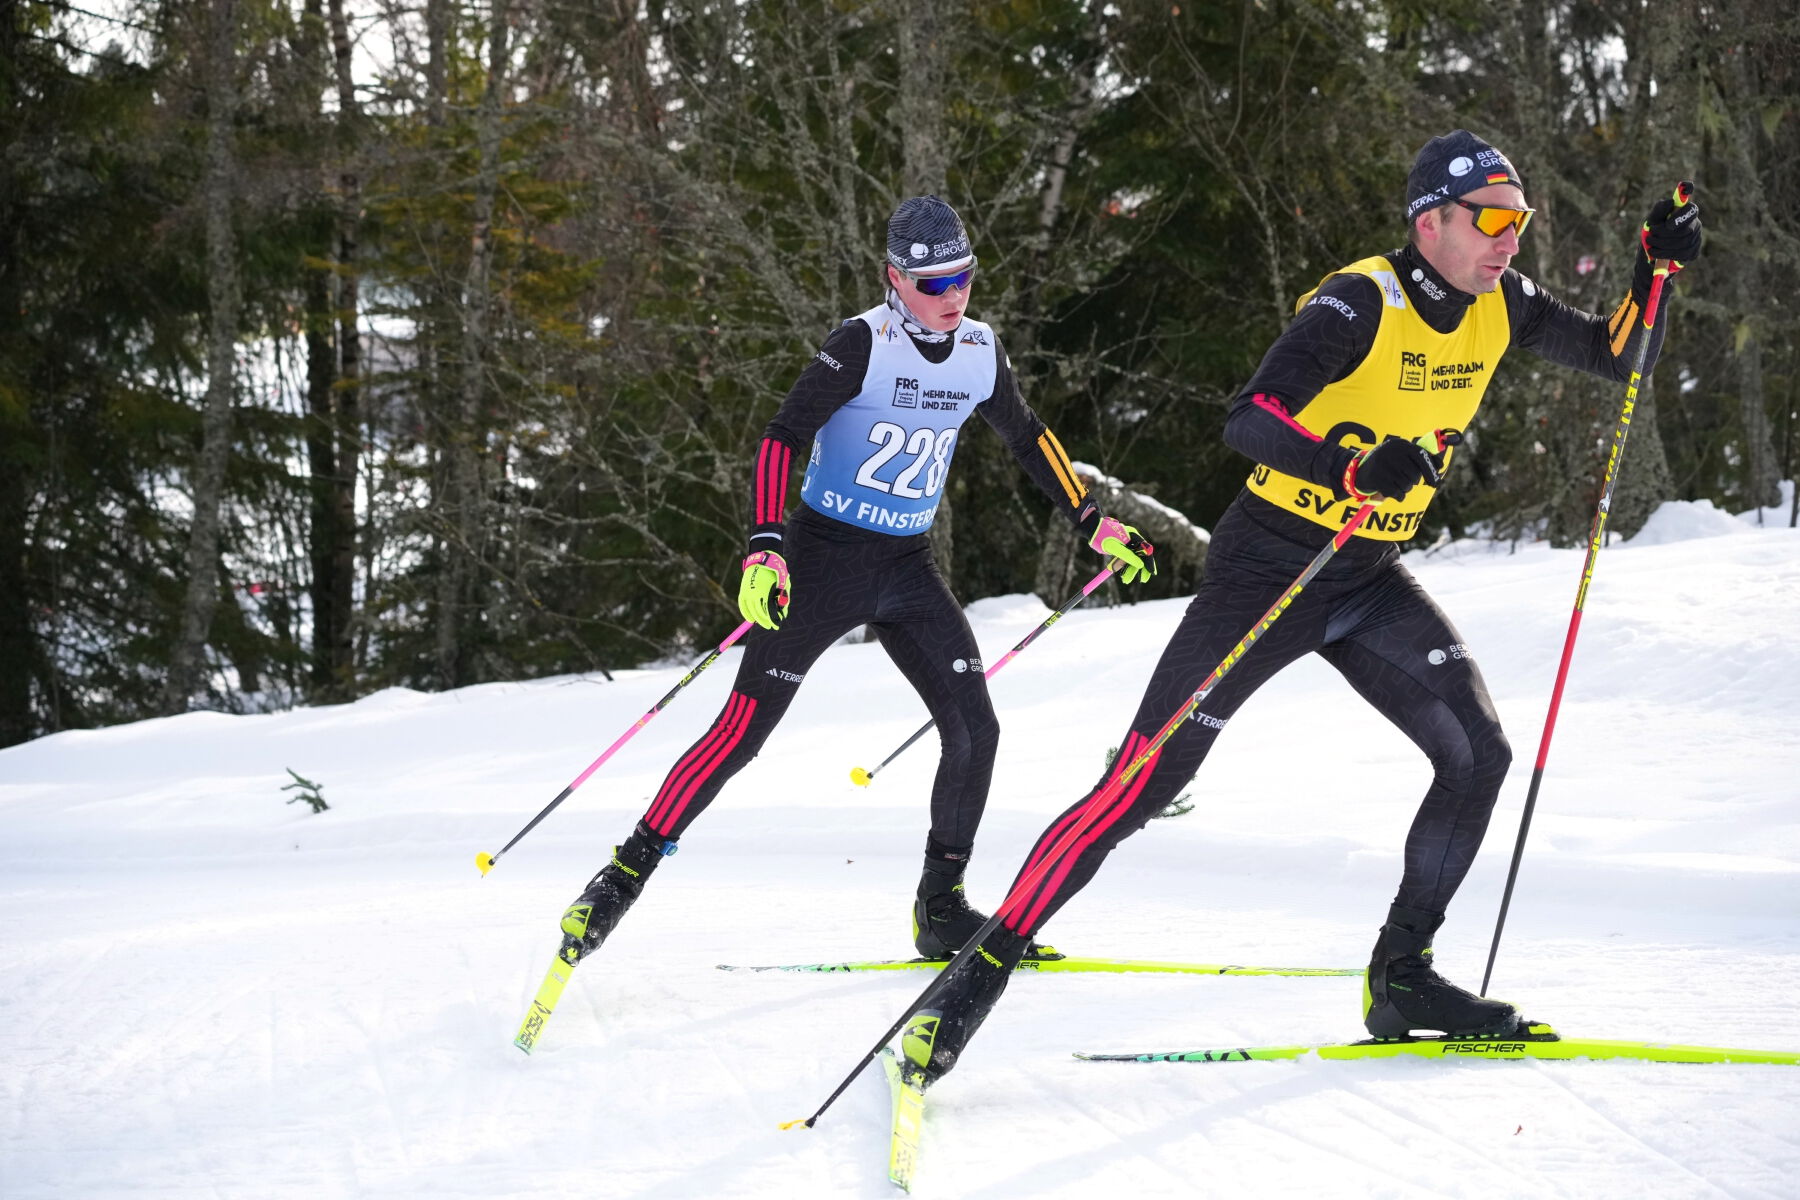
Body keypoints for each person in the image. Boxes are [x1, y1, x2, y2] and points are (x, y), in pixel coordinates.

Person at [902, 131, 1705, 1084]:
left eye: (1518, 222)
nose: (1509, 242)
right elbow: (1248, 415)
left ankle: (1403, 979)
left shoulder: (1505, 304)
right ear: (1431, 220)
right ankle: (970, 979)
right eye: (1490, 220)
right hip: (1270, 567)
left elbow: (1621, 359)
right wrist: (1350, 464)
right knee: (1142, 784)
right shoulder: (1363, 298)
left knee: (1476, 754)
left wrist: (1653, 271)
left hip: (1366, 577)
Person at [553, 195, 1158, 973]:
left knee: (977, 731)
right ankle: (621, 877)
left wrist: (1092, 522)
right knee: (742, 733)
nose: (952, 296)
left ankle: (940, 908)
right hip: (821, 561)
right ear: (894, 280)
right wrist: (764, 549)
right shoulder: (860, 344)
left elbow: (1027, 434)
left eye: (963, 278)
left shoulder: (979, 350)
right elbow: (782, 436)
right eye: (934, 282)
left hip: (907, 568)